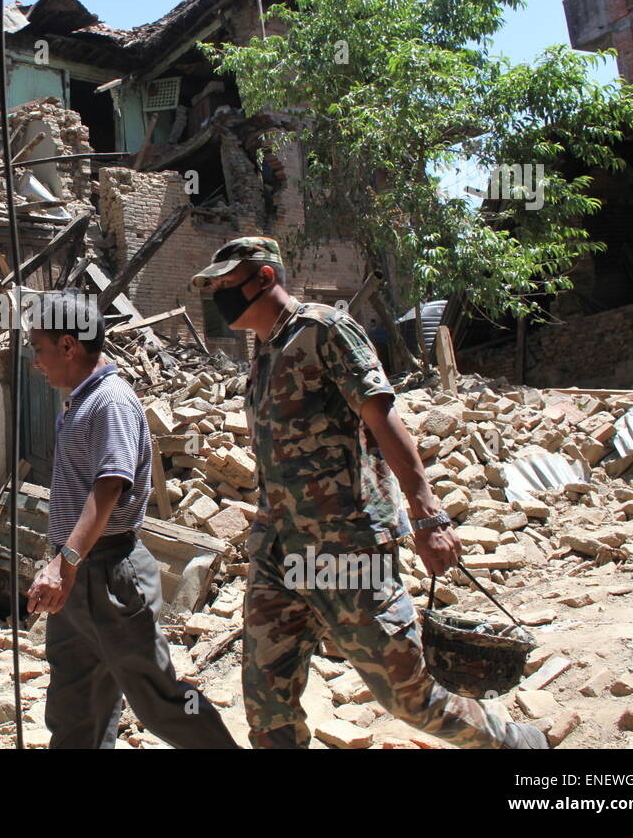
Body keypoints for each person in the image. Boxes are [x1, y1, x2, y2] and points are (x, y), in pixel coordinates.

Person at [191, 236, 546, 749]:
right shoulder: (265, 352)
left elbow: (383, 418)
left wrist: (428, 516)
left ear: (264, 279)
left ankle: (511, 742)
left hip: (346, 547)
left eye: (227, 284)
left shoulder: (325, 331)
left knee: (408, 694)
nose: (219, 296)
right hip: (278, 550)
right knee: (267, 706)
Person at [26, 289, 238, 749]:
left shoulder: (111, 401)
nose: (36, 362)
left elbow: (110, 486)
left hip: (107, 574)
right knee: (74, 701)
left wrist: (63, 562)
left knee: (160, 700)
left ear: (68, 345)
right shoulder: (82, 401)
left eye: (39, 349)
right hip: (77, 575)